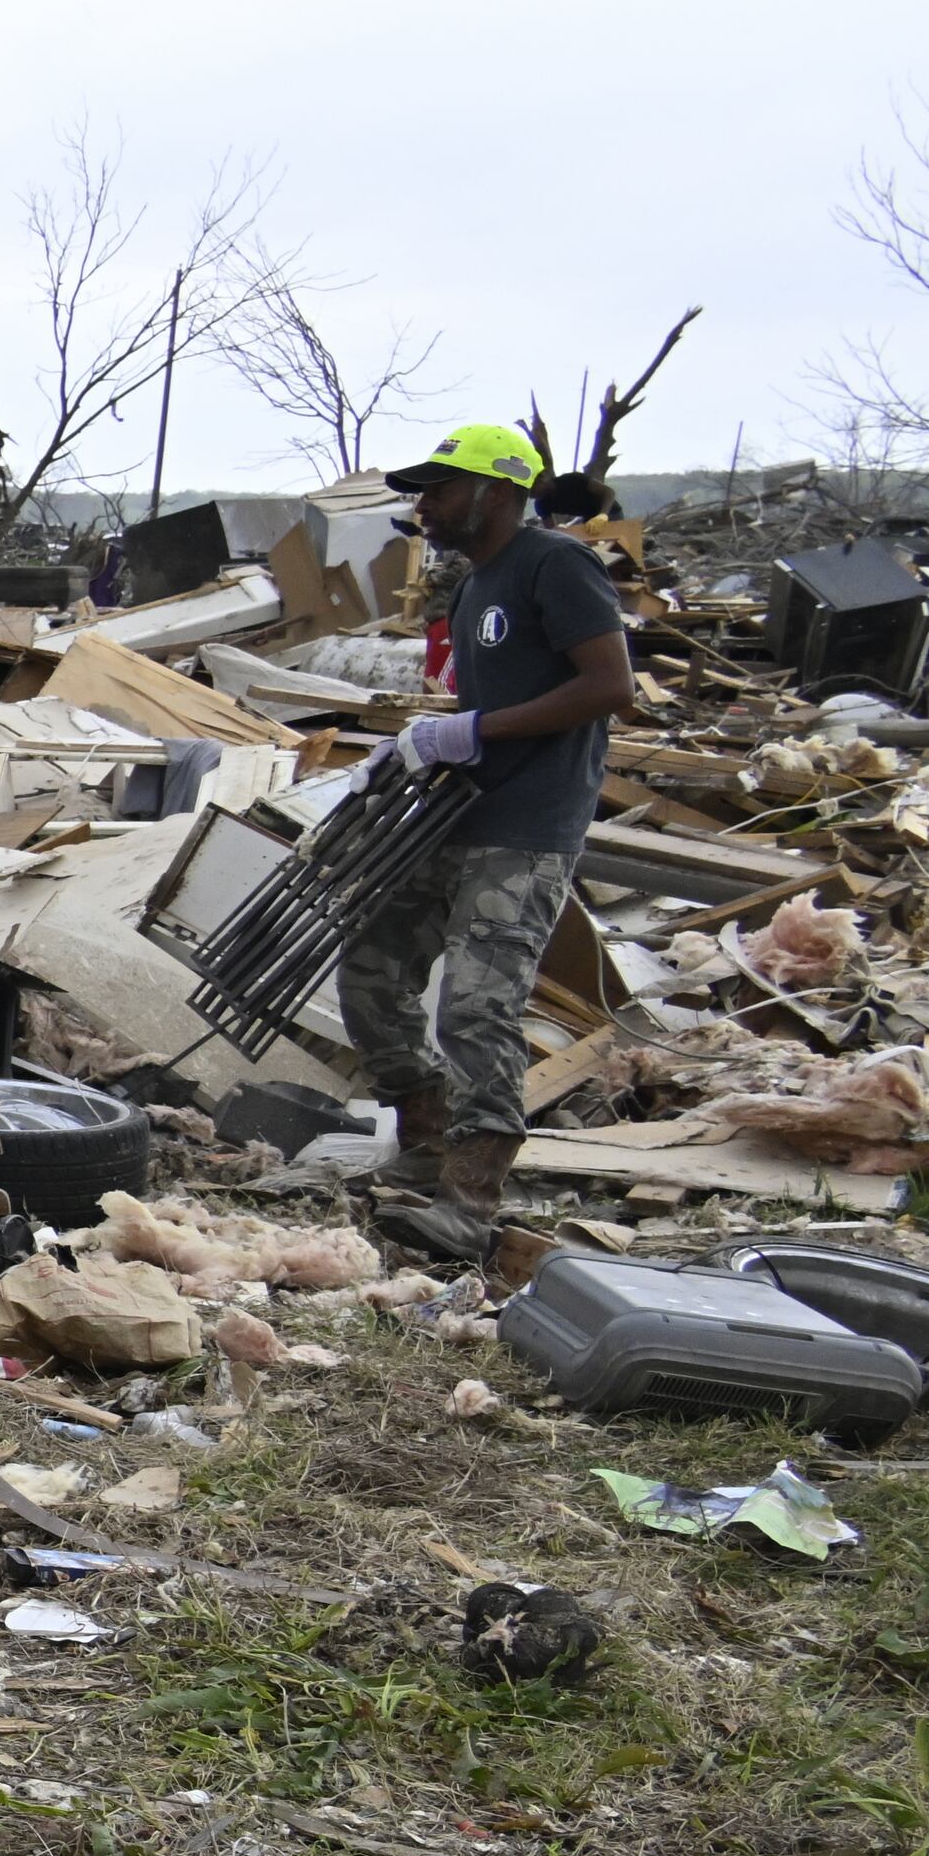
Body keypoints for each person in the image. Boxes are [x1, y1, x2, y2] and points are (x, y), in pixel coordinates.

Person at [337, 421, 634, 1259]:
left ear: (495, 492)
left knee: (478, 1004)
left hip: (528, 826)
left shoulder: (556, 563)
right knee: (371, 965)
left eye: (438, 489)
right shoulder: (472, 584)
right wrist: (417, 745)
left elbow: (610, 686)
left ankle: (471, 1196)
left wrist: (471, 731)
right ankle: (426, 1138)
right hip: (460, 812)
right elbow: (484, 711)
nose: (423, 505)